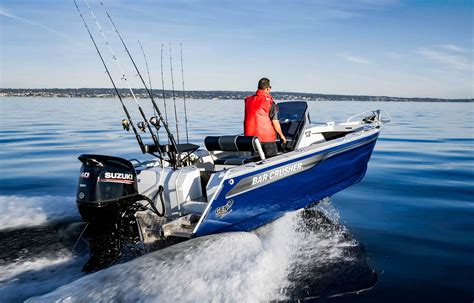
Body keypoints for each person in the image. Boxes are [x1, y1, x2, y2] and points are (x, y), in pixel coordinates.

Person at [244, 78, 286, 158]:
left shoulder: (248, 101)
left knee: (256, 162)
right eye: (270, 87)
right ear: (267, 88)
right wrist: (281, 135)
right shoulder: (269, 102)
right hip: (267, 139)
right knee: (272, 161)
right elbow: (275, 121)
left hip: (251, 139)